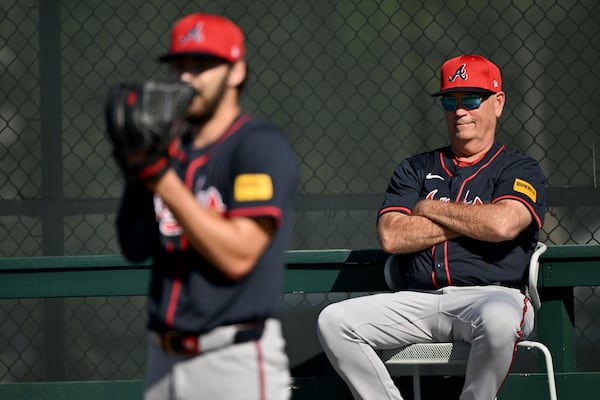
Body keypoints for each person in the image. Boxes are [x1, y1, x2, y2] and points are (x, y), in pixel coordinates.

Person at [317, 54, 547, 400]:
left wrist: (429, 208)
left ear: (497, 103)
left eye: (471, 99)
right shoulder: (415, 169)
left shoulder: (519, 168)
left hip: (493, 295)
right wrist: (472, 220)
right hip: (418, 299)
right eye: (450, 101)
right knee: (334, 321)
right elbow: (392, 236)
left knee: (499, 320)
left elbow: (503, 224)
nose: (460, 111)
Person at [115, 13, 297, 400]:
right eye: (181, 66)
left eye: (202, 66)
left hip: (232, 362)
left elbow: (238, 255)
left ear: (236, 72)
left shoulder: (258, 145)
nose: (186, 78)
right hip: (162, 359)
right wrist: (136, 172)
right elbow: (134, 248)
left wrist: (160, 178)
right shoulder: (170, 153)